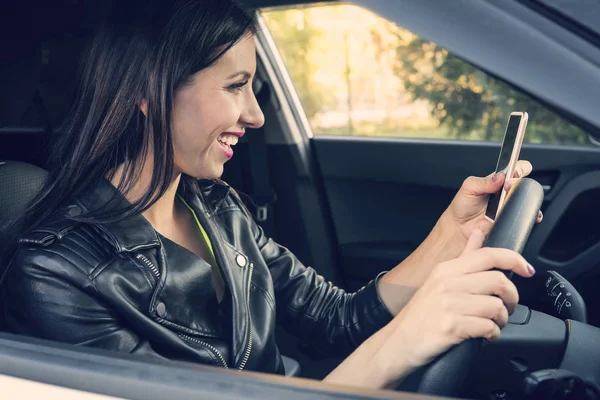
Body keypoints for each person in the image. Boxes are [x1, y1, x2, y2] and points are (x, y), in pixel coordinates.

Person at [0, 0, 541, 390]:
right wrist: (404, 343)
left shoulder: (218, 207)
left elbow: (338, 320)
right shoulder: (55, 272)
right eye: (235, 87)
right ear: (149, 91)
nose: (255, 115)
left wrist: (453, 232)